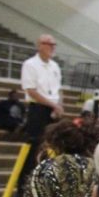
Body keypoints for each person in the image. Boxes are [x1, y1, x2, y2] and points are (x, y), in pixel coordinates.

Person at [20, 35, 63, 173]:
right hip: (38, 109)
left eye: (54, 44)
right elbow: (31, 91)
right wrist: (53, 105)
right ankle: (25, 181)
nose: (52, 47)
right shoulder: (30, 64)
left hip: (53, 110)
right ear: (40, 45)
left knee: (53, 145)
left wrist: (59, 105)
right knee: (35, 146)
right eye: (49, 44)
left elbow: (59, 89)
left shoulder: (55, 66)